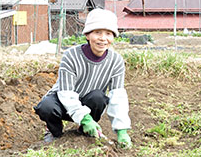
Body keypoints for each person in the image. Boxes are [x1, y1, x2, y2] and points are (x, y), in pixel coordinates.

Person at [34, 8, 132, 148]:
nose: (103, 38)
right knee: (46, 106)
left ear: (113, 37)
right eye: (97, 32)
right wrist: (84, 118)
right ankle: (54, 131)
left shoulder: (116, 61)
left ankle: (83, 129)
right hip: (62, 103)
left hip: (89, 102)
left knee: (99, 97)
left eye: (108, 33)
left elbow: (118, 96)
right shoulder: (71, 56)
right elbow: (66, 93)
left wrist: (122, 131)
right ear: (87, 34)